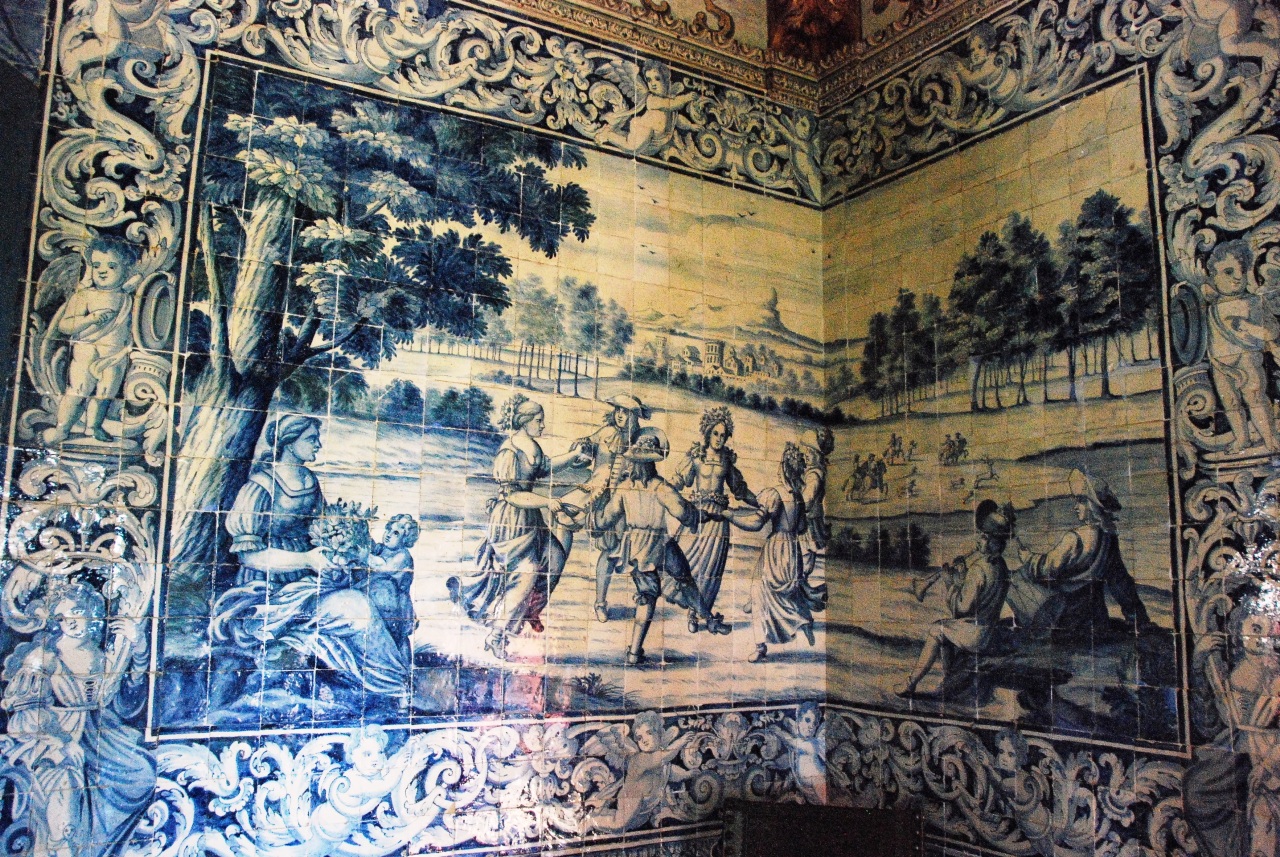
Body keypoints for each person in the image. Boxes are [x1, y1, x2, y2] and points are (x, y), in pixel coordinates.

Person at [211, 414, 410, 702]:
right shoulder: (260, 487)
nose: (318, 445)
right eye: (311, 439)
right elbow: (249, 556)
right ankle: (396, 687)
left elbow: (321, 529)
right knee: (357, 608)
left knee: (381, 594)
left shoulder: (309, 481)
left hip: (310, 580)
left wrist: (344, 546)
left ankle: (389, 683)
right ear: (289, 443)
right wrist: (306, 560)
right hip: (269, 589)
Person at [2, 582, 156, 857]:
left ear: (91, 614)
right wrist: (61, 742)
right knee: (65, 797)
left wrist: (138, 644)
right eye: (63, 618)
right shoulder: (45, 656)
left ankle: (105, 848)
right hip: (53, 734)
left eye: (76, 613)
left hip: (99, 734)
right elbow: (28, 710)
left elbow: (128, 696)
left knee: (141, 777)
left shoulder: (103, 656)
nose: (71, 623)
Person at [448, 396, 588, 659]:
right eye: (538, 420)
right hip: (511, 520)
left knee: (555, 558)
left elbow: (544, 467)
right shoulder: (509, 452)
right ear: (525, 421)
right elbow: (512, 495)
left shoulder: (530, 444)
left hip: (530, 515)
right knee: (526, 574)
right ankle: (497, 636)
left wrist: (573, 456)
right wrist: (547, 502)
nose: (542, 425)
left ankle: (530, 608)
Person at [596, 427, 731, 665]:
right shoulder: (661, 487)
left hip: (642, 545)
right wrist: (706, 515)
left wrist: (595, 516)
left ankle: (708, 619)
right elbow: (685, 513)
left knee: (673, 583)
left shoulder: (625, 488)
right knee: (667, 587)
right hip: (655, 544)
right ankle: (635, 652)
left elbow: (606, 518)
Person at [1007, 469, 1152, 634]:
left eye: (1081, 501)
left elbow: (1047, 569)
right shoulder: (1109, 538)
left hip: (1067, 616)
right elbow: (1120, 582)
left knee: (1015, 579)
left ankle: (1035, 630)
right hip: (1097, 617)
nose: (1075, 507)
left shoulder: (1074, 538)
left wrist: (1028, 558)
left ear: (1092, 505)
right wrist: (1137, 619)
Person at [896, 500, 1015, 696]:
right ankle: (951, 680)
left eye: (983, 537)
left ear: (992, 541)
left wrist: (950, 583)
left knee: (937, 629)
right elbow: (982, 599)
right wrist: (962, 578)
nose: (978, 541)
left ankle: (911, 684)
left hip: (976, 634)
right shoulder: (1001, 565)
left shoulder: (978, 569)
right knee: (947, 629)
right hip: (988, 632)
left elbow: (961, 609)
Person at [728, 443, 826, 663]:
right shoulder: (798, 497)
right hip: (792, 550)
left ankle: (760, 647)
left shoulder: (774, 493)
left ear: (783, 467)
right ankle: (803, 620)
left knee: (758, 594)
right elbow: (801, 527)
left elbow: (756, 523)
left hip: (775, 550)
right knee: (786, 593)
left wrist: (730, 515)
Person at [43, 238, 138, 445]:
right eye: (96, 265)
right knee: (78, 390)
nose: (102, 271)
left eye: (111, 266)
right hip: (86, 351)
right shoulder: (85, 296)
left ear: (127, 269)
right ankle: (62, 428)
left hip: (114, 356)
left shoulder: (128, 299)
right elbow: (65, 326)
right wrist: (90, 319)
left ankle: (94, 426)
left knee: (105, 393)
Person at [674, 407, 756, 631]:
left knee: (710, 570)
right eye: (715, 433)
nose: (719, 439)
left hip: (718, 521)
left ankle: (695, 614)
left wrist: (759, 503)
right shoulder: (696, 456)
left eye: (723, 435)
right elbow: (679, 481)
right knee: (686, 562)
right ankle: (689, 604)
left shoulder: (727, 461)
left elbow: (740, 491)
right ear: (707, 433)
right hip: (697, 517)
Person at [572, 395, 650, 623]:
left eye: (625, 411)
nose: (620, 415)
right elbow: (583, 455)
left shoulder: (641, 440)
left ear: (634, 416)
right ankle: (600, 603)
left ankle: (645, 597)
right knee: (608, 551)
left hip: (631, 505)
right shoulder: (605, 433)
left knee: (637, 552)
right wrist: (581, 449)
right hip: (606, 501)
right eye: (618, 410)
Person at [1202, 239, 1280, 453]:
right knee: (1230, 402)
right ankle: (1242, 439)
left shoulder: (1253, 302)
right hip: (1220, 364)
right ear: (1213, 276)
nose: (1237, 277)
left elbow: (1271, 331)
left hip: (1246, 359)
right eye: (1228, 272)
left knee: (1255, 398)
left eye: (1242, 271)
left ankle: (1270, 438)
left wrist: (1248, 327)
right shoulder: (1211, 307)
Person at [368, 514, 421, 663]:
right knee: (383, 634)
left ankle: (404, 667)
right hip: (382, 600)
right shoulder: (381, 548)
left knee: (398, 637)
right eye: (388, 529)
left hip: (398, 604)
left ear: (405, 539)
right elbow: (371, 547)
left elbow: (383, 567)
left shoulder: (403, 556)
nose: (389, 534)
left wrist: (365, 556)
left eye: (396, 533)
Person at [798, 428, 833, 586]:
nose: (806, 454)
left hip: (809, 519)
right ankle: (803, 582)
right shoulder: (813, 472)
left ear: (817, 455)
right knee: (806, 552)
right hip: (811, 517)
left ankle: (802, 584)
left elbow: (807, 501)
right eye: (806, 450)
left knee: (806, 551)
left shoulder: (813, 475)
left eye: (810, 452)